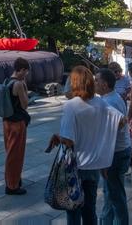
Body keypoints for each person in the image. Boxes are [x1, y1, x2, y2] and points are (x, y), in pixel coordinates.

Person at [48, 66, 124, 225]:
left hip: (75, 165)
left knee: (73, 210)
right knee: (90, 210)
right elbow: (122, 121)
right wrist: (101, 140)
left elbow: (69, 140)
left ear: (74, 83)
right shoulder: (100, 103)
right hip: (94, 165)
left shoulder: (71, 106)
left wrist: (58, 137)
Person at [95, 68, 131, 225]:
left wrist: (103, 159)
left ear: (103, 84)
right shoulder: (113, 98)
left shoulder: (108, 102)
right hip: (120, 151)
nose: (94, 83)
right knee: (110, 191)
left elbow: (109, 135)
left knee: (116, 196)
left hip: (115, 154)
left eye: (96, 80)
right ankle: (106, 220)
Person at [2, 57, 31, 195]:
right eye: (26, 72)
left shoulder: (7, 80)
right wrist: (25, 87)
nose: (26, 75)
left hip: (6, 122)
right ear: (22, 70)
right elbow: (25, 105)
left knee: (10, 153)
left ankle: (12, 180)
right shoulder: (19, 84)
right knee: (16, 155)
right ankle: (12, 186)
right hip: (17, 124)